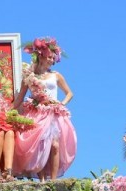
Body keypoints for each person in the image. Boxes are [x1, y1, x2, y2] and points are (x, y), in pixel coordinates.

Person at [12, 37, 77, 181]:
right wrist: (9, 112)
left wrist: (61, 104)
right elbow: (20, 98)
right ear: (40, 56)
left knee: (54, 145)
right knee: (40, 146)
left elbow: (69, 93)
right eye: (49, 56)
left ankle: (53, 180)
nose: (51, 60)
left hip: (53, 113)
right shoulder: (29, 76)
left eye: (53, 58)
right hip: (36, 113)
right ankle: (41, 180)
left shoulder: (56, 75)